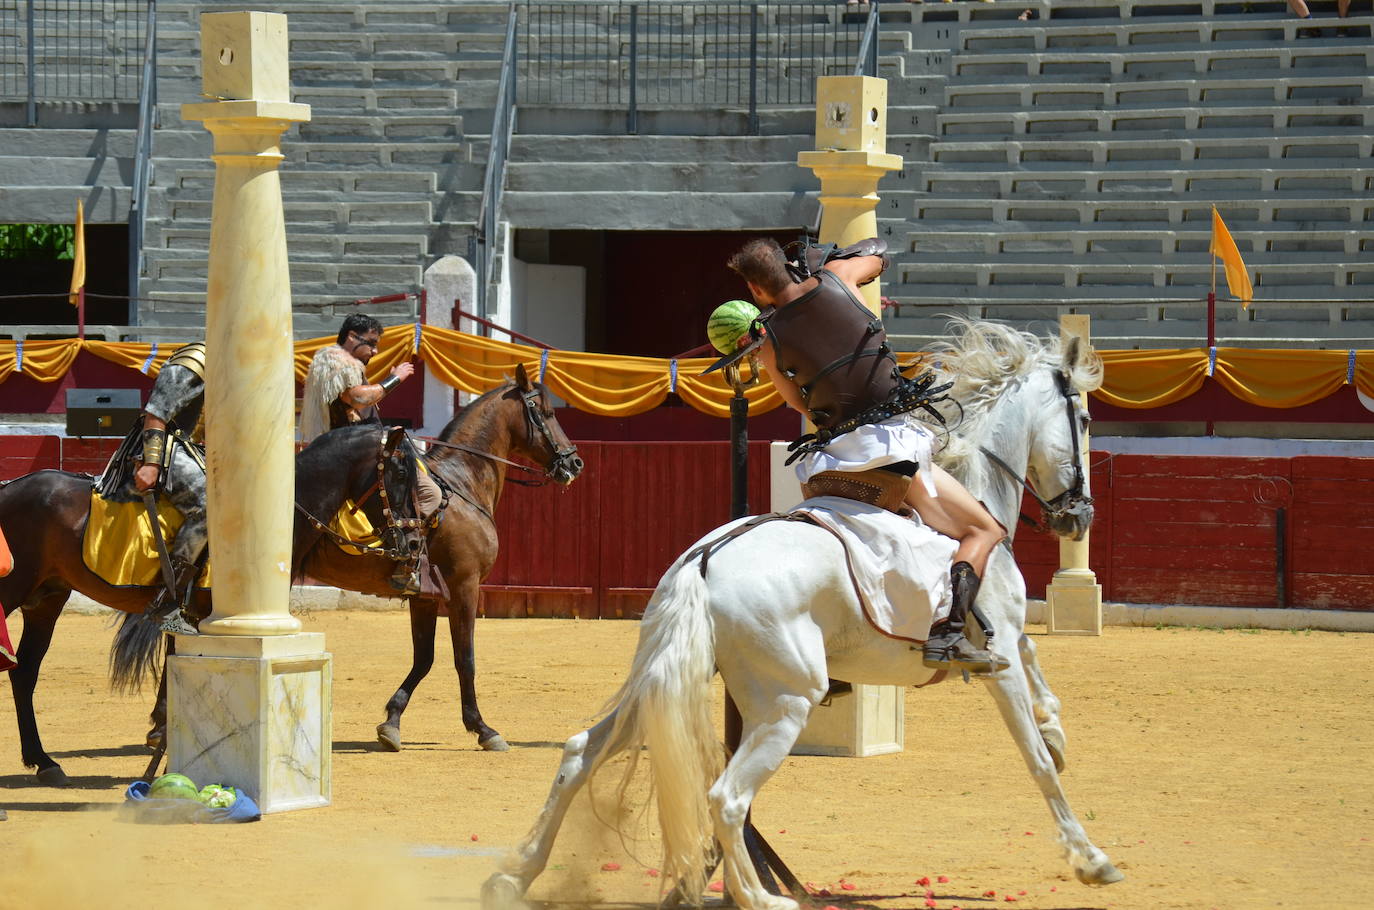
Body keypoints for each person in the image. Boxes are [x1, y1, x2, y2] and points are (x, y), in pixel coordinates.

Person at [722, 237, 1009, 674]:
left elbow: (802, 407)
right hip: (891, 450)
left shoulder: (769, 343)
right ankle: (949, 631)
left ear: (756, 291)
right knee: (984, 530)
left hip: (827, 463)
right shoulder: (837, 278)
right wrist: (839, 258)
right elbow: (878, 256)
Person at [300, 313, 442, 594]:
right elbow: (358, 398)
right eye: (372, 343)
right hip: (352, 457)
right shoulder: (337, 360)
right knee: (429, 494)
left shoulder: (333, 361)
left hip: (344, 452)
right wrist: (395, 379)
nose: (375, 351)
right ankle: (406, 562)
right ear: (352, 337)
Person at [96, 342, 208, 633]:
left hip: (191, 449)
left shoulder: (229, 368)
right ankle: (168, 601)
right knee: (209, 506)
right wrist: (152, 464)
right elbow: (156, 414)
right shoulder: (194, 360)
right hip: (166, 449)